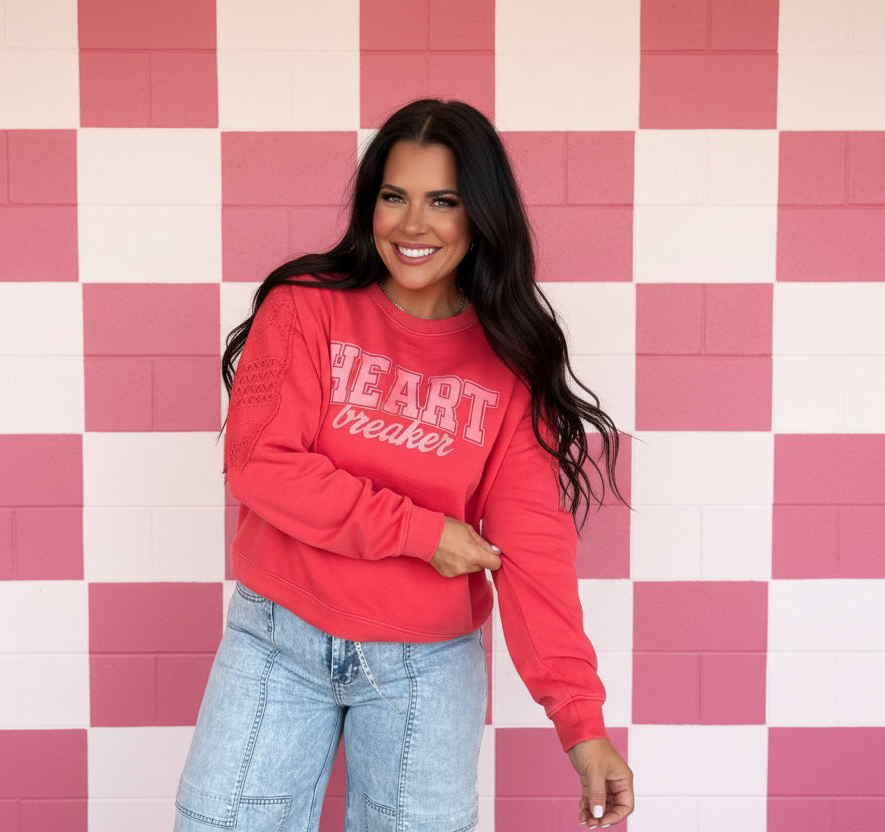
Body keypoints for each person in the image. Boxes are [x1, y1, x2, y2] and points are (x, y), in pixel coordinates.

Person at [174, 99, 633, 832]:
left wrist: (581, 723)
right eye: (395, 197)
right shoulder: (306, 308)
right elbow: (261, 463)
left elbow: (533, 549)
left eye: (442, 202)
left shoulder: (511, 359)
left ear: (480, 215)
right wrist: (425, 534)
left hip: (427, 665)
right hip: (277, 640)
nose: (412, 224)